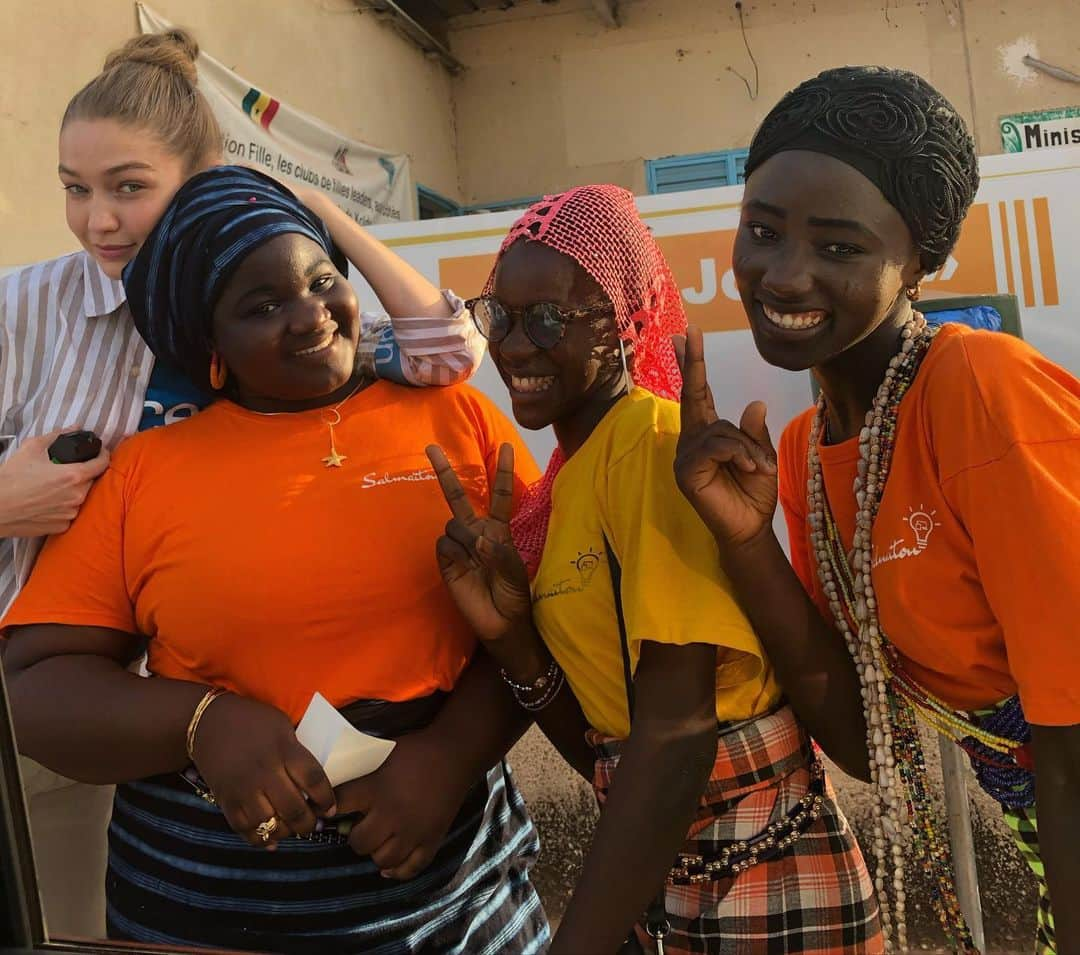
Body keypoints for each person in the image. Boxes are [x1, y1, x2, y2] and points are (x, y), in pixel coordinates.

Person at [0, 30, 483, 937]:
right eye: (76, 188)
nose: (97, 219)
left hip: (184, 742)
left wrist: (307, 215)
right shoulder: (27, 310)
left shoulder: (294, 330)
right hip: (71, 706)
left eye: (128, 187)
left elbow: (444, 350)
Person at [674, 66, 1080, 955]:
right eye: (762, 231)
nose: (783, 275)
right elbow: (869, 743)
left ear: (922, 262)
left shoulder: (979, 388)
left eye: (839, 247)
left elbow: (1072, 733)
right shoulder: (804, 454)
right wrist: (746, 543)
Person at [426, 184, 882, 954]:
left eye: (548, 319)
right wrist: (512, 639)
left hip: (762, 878)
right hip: (673, 875)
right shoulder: (571, 480)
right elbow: (614, 750)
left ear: (623, 322)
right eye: (499, 314)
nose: (513, 345)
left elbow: (677, 737)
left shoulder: (649, 445)